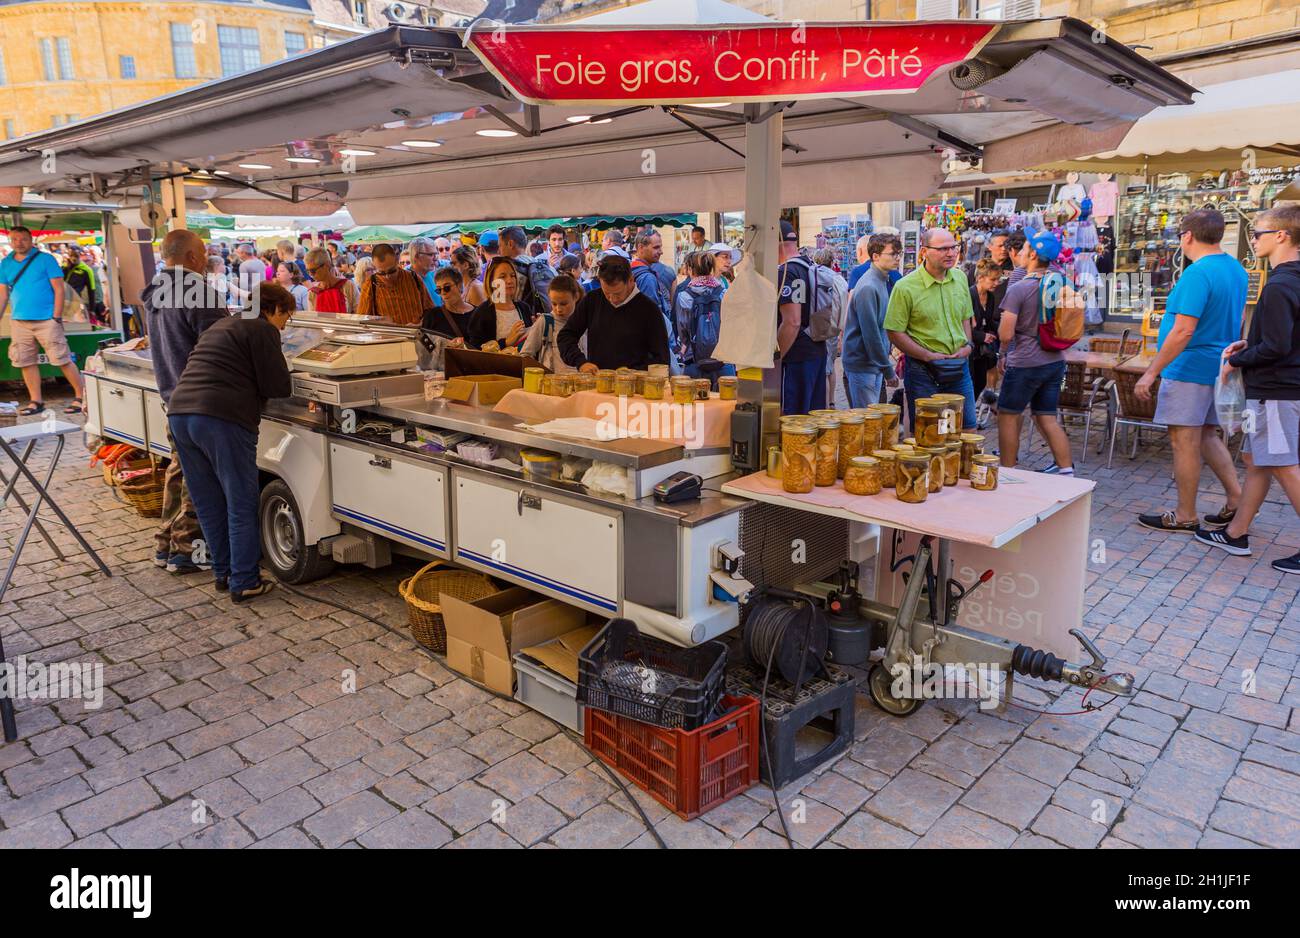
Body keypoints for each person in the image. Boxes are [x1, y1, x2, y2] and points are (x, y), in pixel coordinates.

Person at [167, 281, 293, 603]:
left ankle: (224, 573)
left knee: (208, 501)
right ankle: (245, 580)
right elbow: (279, 385)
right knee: (240, 500)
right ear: (272, 309)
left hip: (181, 414)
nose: (285, 324)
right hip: (222, 418)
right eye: (286, 317)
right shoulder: (263, 329)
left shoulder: (222, 324)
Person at [1197, 204, 1300, 571]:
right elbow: (1281, 339)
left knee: (1285, 464)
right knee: (1257, 460)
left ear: (1282, 235)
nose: (1252, 240)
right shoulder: (1292, 281)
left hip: (1276, 390)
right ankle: (1236, 532)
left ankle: (1237, 532)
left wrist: (1235, 361)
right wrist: (1248, 345)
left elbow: (1277, 346)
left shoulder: (1280, 285)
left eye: (1257, 233)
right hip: (1282, 388)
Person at [1135, 209, 1245, 533]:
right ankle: (1237, 498)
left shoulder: (1197, 273)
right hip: (1218, 366)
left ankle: (1185, 514)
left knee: (1184, 441)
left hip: (1189, 367)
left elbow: (1183, 331)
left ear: (1187, 236)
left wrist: (1151, 371)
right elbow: (1237, 321)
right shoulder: (1236, 269)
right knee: (1208, 435)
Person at [140, 229, 228, 574]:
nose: (206, 258)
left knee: (179, 470)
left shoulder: (157, 290)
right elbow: (223, 346)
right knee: (198, 476)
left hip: (173, 394)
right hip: (201, 397)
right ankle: (186, 549)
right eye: (203, 252)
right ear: (192, 257)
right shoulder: (198, 292)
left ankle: (165, 542)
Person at [995, 230, 1074, 474]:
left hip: (1025, 362)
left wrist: (1002, 353)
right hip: (1055, 361)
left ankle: (1008, 470)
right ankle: (1066, 469)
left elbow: (1006, 334)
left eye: (1025, 247)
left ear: (1032, 254)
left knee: (1008, 414)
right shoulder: (1064, 282)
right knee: (1047, 417)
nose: (1019, 251)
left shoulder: (1020, 288)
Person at [884, 227, 976, 430]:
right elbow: (894, 331)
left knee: (967, 428)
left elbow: (965, 317)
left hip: (959, 366)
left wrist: (968, 345)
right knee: (929, 433)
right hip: (923, 371)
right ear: (924, 252)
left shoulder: (960, 278)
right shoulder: (905, 286)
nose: (951, 253)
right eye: (943, 249)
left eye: (954, 247)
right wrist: (926, 355)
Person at [0, 226, 86, 415]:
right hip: (20, 321)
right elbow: (3, 294)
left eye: (23, 239)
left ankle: (81, 397)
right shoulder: (5, 263)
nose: (18, 243)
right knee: (25, 361)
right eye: (14, 239)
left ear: (30, 240)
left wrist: (56, 316)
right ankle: (36, 401)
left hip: (47, 319)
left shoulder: (45, 259)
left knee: (62, 359)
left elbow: (59, 289)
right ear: (10, 241)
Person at [558, 253, 669, 372]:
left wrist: (635, 372)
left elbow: (662, 359)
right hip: (598, 385)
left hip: (635, 387)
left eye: (617, 293)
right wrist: (580, 362)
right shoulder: (592, 300)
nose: (612, 299)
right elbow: (566, 336)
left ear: (631, 280)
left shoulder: (649, 310)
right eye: (606, 293)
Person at [842, 233, 900, 408]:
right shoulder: (869, 285)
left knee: (870, 422)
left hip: (871, 364)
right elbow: (871, 334)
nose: (897, 258)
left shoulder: (881, 280)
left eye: (899, 253)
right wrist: (888, 370)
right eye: (893, 254)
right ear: (875, 256)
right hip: (862, 364)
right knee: (867, 422)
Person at [776, 219, 827, 414]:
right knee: (813, 416)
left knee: (795, 422)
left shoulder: (786, 271)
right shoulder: (809, 265)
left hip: (797, 356)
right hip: (816, 349)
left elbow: (792, 321)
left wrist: (776, 357)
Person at [672, 251, 730, 387]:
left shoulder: (684, 296)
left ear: (691, 270)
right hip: (722, 359)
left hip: (694, 359)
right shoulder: (723, 292)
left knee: (694, 404)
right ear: (711, 268)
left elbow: (683, 329)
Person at [466, 256, 535, 349]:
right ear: (491, 281)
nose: (510, 281)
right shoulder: (481, 313)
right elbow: (475, 350)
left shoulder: (524, 308)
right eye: (502, 277)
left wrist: (536, 328)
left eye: (512, 275)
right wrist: (506, 342)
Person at [358, 242, 435, 325]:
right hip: (387, 336)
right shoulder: (370, 285)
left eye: (391, 271)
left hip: (416, 334)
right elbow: (362, 320)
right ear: (375, 267)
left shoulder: (413, 278)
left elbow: (431, 312)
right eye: (381, 273)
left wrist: (420, 324)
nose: (387, 276)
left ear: (397, 261)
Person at [813, 247, 850, 409]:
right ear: (831, 261)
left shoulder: (816, 277)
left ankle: (825, 406)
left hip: (820, 327)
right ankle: (832, 401)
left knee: (824, 371)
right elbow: (845, 306)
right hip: (834, 328)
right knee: (831, 366)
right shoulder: (840, 279)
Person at [522, 274, 581, 373]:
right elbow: (525, 355)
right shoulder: (545, 321)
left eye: (563, 304)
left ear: (576, 297)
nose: (558, 309)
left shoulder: (584, 321)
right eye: (554, 304)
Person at [969, 257, 1004, 405]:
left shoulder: (990, 297)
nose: (996, 283)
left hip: (983, 350)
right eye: (993, 280)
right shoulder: (969, 295)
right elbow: (962, 325)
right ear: (980, 278)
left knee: (981, 382)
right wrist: (982, 336)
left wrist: (1004, 329)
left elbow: (989, 321)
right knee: (971, 383)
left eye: (998, 279)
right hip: (970, 347)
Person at [499, 226, 552, 313]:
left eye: (500, 246)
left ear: (510, 244)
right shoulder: (540, 264)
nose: (499, 251)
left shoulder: (510, 270)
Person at [304, 247, 360, 314]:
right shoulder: (312, 293)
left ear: (326, 265)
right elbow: (313, 320)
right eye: (308, 271)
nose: (310, 275)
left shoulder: (348, 286)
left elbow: (358, 313)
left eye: (313, 271)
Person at [62, 247, 103, 320]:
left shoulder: (86, 270)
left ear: (80, 256)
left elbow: (91, 290)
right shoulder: (64, 267)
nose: (74, 258)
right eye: (71, 256)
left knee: (71, 321)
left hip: (75, 301)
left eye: (76, 256)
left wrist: (92, 310)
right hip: (62, 300)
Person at [408, 237, 442, 308]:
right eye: (431, 255)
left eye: (436, 254)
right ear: (416, 256)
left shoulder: (433, 274)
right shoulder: (405, 278)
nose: (435, 258)